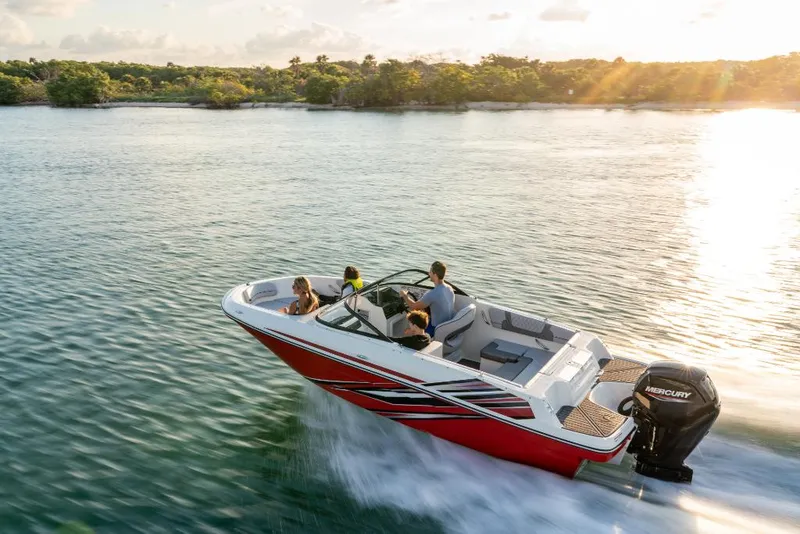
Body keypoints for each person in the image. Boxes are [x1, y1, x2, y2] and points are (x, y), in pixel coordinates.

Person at [400, 261, 454, 337]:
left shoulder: (433, 293)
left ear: (435, 275)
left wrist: (404, 295)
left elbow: (413, 306)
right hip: (447, 326)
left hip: (435, 329)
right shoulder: (449, 288)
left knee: (410, 327)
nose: (429, 274)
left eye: (430, 272)